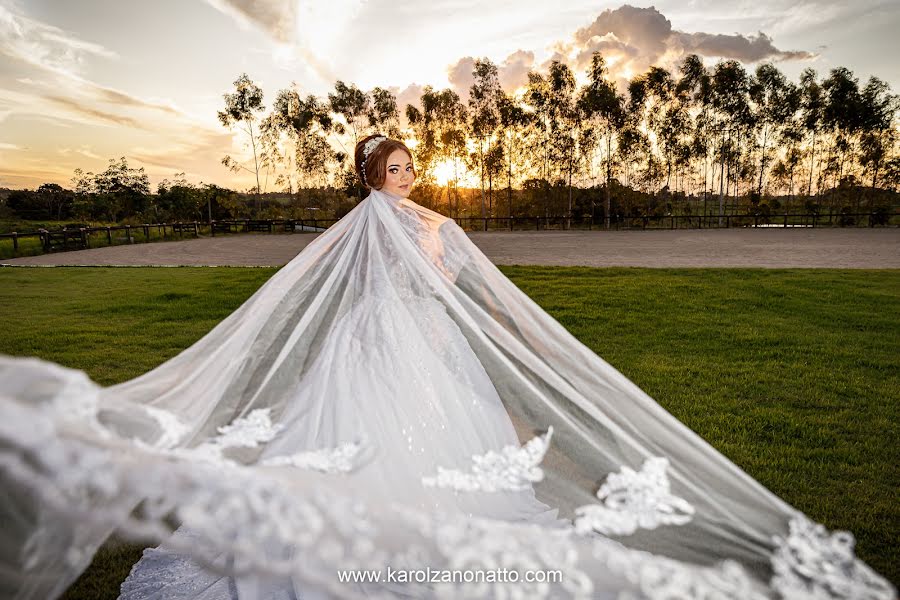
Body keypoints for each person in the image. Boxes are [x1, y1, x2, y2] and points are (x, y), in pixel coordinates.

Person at [0, 134, 894, 600]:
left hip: (432, 344)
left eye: (407, 165)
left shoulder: (441, 226)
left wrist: (524, 335)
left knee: (456, 453)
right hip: (375, 345)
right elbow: (330, 289)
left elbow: (480, 294)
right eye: (390, 169)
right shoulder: (367, 226)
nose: (403, 176)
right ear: (369, 179)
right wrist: (366, 328)